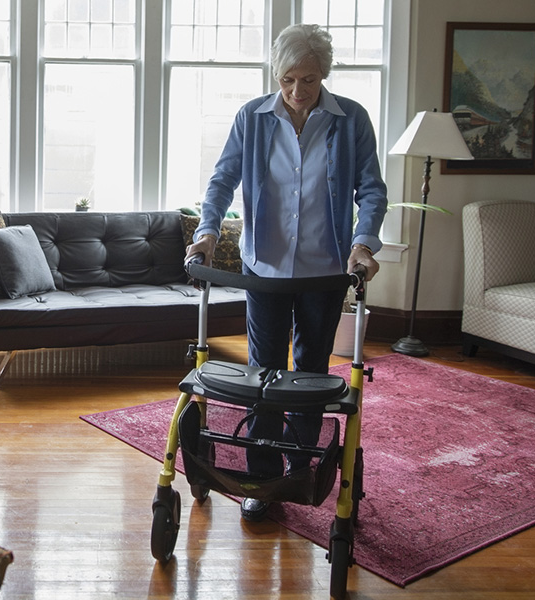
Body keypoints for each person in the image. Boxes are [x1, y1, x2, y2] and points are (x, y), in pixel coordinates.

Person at [184, 23, 388, 522]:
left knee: (311, 375)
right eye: (288, 80)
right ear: (276, 75)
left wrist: (363, 244)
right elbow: (223, 180)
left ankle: (300, 468)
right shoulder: (252, 118)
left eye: (311, 80)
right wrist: (208, 231)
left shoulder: (351, 119)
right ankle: (264, 479)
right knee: (262, 375)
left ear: (326, 76)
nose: (299, 93)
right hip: (265, 270)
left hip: (324, 271)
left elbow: (371, 189)